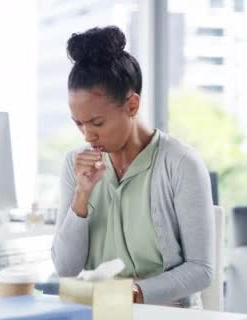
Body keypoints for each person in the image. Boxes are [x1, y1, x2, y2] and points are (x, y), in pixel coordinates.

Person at [51, 26, 214, 308]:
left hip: (166, 312)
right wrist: (81, 196)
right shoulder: (74, 165)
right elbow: (66, 269)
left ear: (132, 105)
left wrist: (135, 293)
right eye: (78, 123)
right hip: (101, 311)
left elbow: (201, 269)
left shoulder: (181, 164)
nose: (88, 135)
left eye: (97, 123)